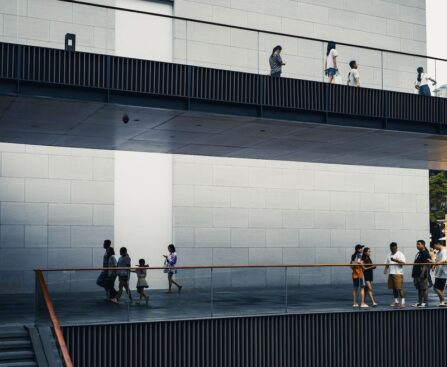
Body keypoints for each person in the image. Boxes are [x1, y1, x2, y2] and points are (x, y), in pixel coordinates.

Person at [384, 242, 406, 308]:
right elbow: (387, 263)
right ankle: (396, 301)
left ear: (396, 247)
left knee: (399, 288)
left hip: (398, 273)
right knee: (394, 288)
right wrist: (385, 269)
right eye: (391, 248)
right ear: (390, 248)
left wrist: (395, 260)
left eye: (394, 248)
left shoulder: (400, 254)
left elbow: (403, 263)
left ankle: (402, 302)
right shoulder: (389, 254)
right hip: (391, 273)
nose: (393, 249)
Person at [411, 240, 431, 308]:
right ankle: (419, 302)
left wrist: (422, 273)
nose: (417, 245)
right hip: (416, 274)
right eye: (417, 244)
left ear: (423, 245)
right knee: (419, 289)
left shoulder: (425, 253)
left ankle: (425, 303)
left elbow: (427, 264)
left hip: (422, 274)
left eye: (419, 244)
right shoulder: (419, 253)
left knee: (424, 288)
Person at [433, 240, 447, 307]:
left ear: (438, 244)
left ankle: (443, 301)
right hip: (438, 273)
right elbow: (437, 260)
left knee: (435, 288)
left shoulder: (444, 251)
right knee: (440, 289)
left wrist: (436, 263)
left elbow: (444, 260)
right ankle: (441, 302)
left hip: (443, 273)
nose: (434, 247)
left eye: (435, 246)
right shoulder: (438, 252)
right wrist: (434, 265)